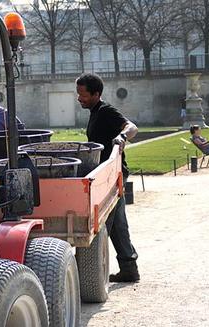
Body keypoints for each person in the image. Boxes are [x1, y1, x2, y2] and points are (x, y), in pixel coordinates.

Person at [76, 73, 139, 283]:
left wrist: (122, 136)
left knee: (103, 222)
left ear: (96, 94)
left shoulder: (106, 111)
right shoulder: (95, 112)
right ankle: (129, 267)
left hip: (112, 176)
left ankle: (90, 274)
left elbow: (132, 127)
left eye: (83, 95)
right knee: (117, 222)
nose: (79, 98)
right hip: (107, 174)